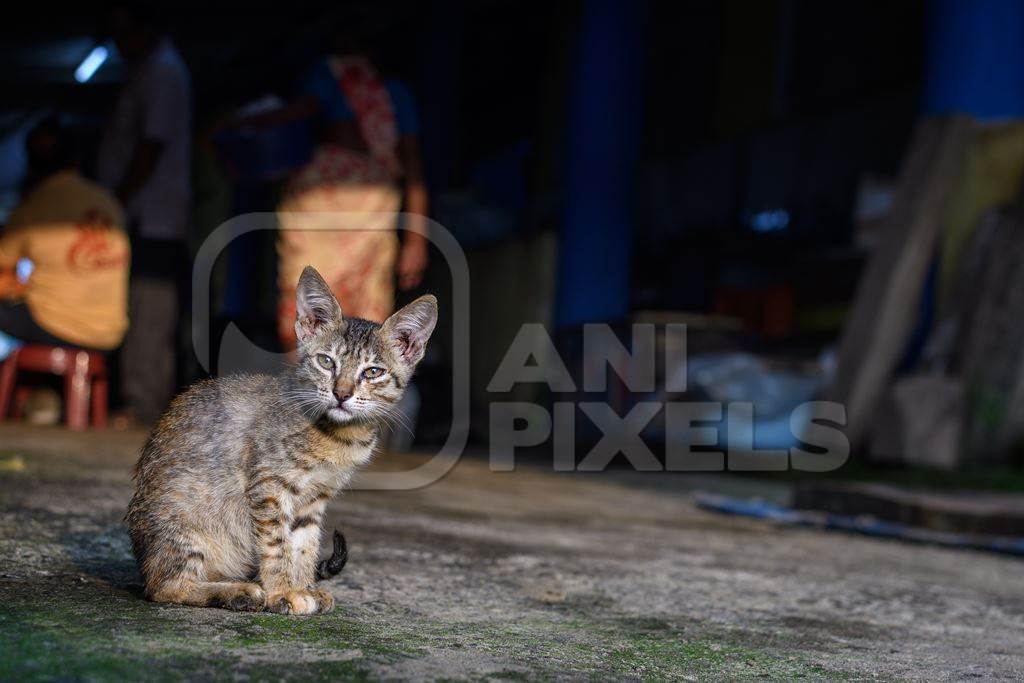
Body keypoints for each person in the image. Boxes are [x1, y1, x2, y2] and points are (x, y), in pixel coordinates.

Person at [231, 25, 429, 348]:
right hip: (318, 224)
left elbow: (413, 168)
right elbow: (298, 114)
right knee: (312, 316)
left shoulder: (394, 95)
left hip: (370, 224)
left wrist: (415, 240)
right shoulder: (325, 80)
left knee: (366, 319)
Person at [96, 5, 191, 425]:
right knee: (135, 307)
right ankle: (136, 398)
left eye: (123, 31)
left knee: (150, 308)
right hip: (139, 213)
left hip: (153, 214)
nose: (117, 42)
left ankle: (143, 403)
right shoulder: (146, 70)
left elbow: (151, 146)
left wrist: (116, 199)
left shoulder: (164, 72)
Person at [0, 119, 129, 351]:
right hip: (108, 334)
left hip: (59, 327)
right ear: (75, 159)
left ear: (30, 162)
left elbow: (3, 275)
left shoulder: (34, 207)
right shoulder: (107, 201)